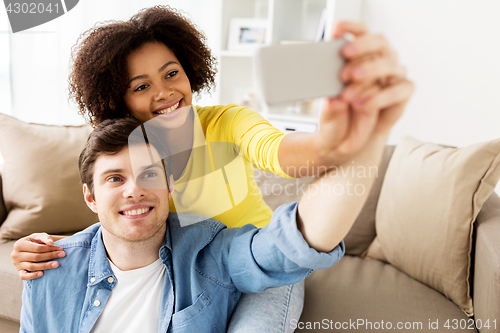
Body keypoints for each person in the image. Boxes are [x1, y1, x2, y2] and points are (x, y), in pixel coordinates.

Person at [11, 5, 413, 331]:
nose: (165, 92)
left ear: (190, 70)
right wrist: (47, 250)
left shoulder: (227, 123)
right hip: (189, 272)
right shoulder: (128, 148)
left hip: (252, 259)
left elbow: (281, 151)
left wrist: (331, 142)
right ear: (119, 99)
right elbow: (114, 210)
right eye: (141, 85)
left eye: (171, 74)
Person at [20, 109, 394, 332]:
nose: (134, 190)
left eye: (148, 174)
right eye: (115, 178)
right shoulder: (50, 267)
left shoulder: (209, 252)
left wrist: (369, 134)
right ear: (90, 196)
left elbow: (290, 244)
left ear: (169, 186)